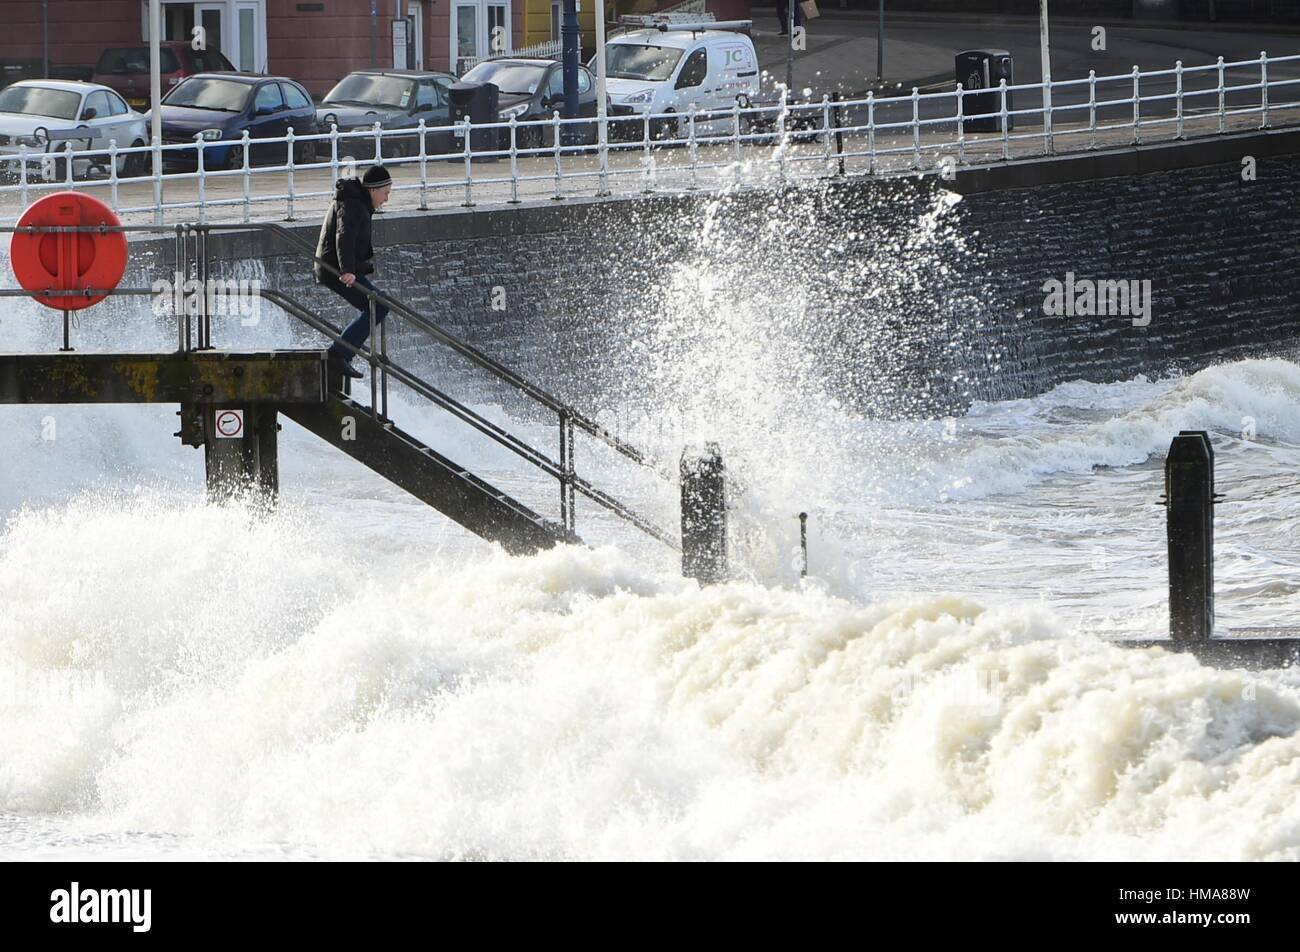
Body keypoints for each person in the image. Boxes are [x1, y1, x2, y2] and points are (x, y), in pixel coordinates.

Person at [314, 165, 393, 379]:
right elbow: (344, 235)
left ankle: (341, 354)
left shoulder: (357, 202)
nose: (386, 199)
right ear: (373, 190)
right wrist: (347, 270)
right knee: (378, 306)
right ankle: (338, 355)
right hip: (334, 268)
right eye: (385, 193)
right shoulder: (354, 204)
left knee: (378, 306)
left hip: (337, 266)